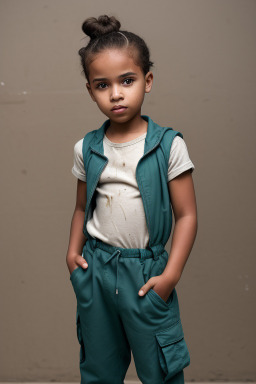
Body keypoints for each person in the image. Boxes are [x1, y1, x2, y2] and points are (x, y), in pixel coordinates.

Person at [66, 14, 198, 384]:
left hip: (147, 274)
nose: (116, 94)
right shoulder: (87, 148)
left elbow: (186, 215)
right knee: (99, 366)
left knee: (158, 368)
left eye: (127, 80)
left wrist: (170, 274)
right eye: (102, 85)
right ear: (91, 90)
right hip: (97, 269)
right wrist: (72, 254)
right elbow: (81, 207)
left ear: (147, 80)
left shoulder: (169, 145)